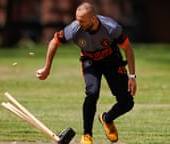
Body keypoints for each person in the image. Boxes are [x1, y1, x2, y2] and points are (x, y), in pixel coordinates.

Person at [36, 2, 136, 144]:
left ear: (93, 19)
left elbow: (128, 49)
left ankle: (107, 119)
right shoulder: (74, 29)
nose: (78, 23)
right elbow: (54, 42)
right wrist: (46, 68)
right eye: (77, 19)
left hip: (112, 61)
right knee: (92, 93)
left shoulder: (111, 28)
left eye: (82, 21)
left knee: (127, 103)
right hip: (91, 62)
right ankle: (87, 135)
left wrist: (132, 76)